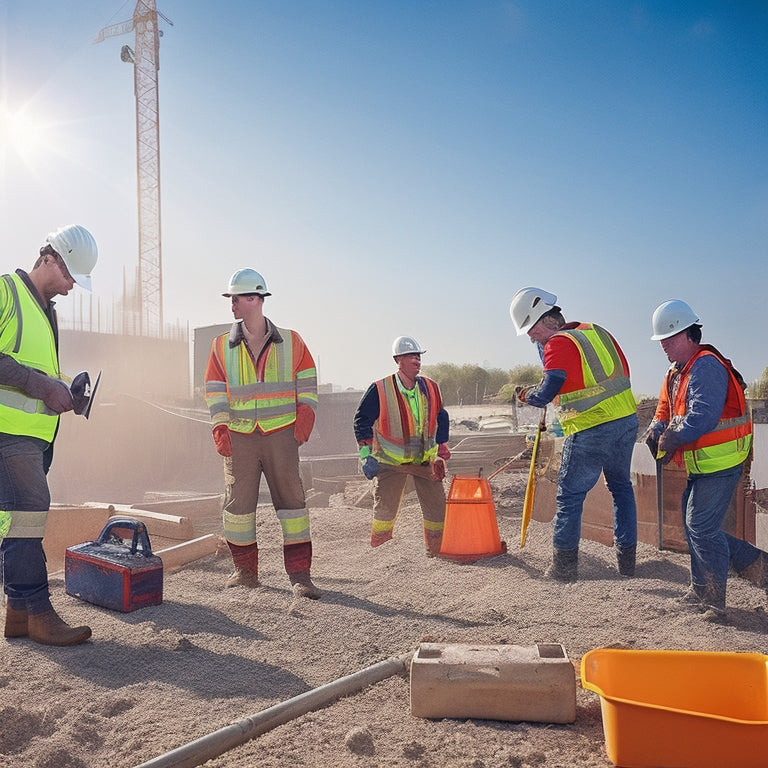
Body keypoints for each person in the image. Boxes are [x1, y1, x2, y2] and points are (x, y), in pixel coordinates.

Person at [1, 224, 98, 646]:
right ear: (51, 258)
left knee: (16, 520)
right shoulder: (6, 291)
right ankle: (38, 611)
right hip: (9, 434)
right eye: (70, 276)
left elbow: (33, 367)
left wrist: (66, 387)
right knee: (29, 513)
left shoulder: (49, 310)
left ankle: (18, 614)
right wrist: (44, 387)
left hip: (36, 437)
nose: (72, 287)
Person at [204, 268, 321, 599]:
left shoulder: (292, 341)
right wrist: (220, 426)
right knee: (237, 507)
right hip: (239, 437)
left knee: (293, 505)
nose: (232, 307)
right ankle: (245, 573)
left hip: (282, 434)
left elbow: (308, 381)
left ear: (255, 300)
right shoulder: (219, 346)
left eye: (236, 299)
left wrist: (305, 416)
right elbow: (214, 390)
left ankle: (300, 577)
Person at [509, 287, 638, 582]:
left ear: (547, 320)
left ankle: (563, 569)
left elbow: (548, 390)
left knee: (569, 497)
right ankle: (627, 564)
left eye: (531, 329)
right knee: (621, 488)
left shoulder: (558, 343)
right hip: (626, 422)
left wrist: (527, 395)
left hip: (592, 427)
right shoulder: (596, 332)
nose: (531, 336)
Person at [644, 299, 760, 622]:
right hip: (702, 465)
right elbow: (663, 410)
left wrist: (669, 437)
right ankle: (709, 587)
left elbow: (701, 417)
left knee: (701, 527)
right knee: (693, 524)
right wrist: (655, 429)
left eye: (667, 339)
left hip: (722, 463)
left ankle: (713, 600)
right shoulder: (676, 372)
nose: (663, 347)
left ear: (687, 335)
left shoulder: (706, 365)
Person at [353, 336, 451, 555]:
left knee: (437, 509)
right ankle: (381, 553)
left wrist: (442, 444)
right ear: (398, 360)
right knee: (385, 512)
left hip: (424, 460)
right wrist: (366, 454)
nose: (417, 360)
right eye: (411, 356)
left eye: (418, 356)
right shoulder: (380, 389)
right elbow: (362, 421)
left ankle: (436, 551)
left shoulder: (431, 387)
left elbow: (441, 416)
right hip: (390, 462)